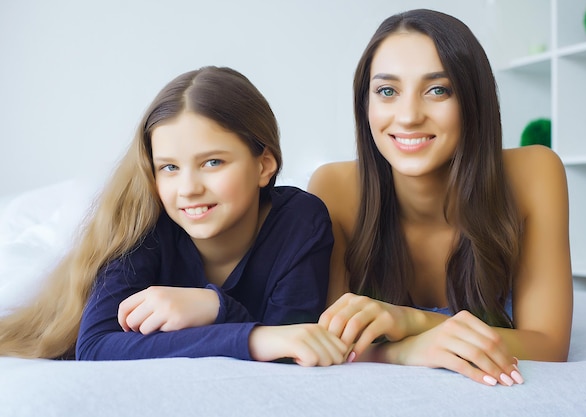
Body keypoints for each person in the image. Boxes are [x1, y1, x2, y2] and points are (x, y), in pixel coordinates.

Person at [0, 66, 348, 366]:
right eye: (169, 167)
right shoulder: (143, 222)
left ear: (264, 165)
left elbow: (294, 341)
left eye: (212, 162)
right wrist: (245, 331)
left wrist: (213, 308)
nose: (188, 189)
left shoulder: (301, 221)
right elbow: (95, 346)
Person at [308, 9, 573, 385]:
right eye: (387, 91)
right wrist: (407, 350)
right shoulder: (334, 188)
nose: (409, 116)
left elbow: (549, 346)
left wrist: (412, 320)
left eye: (438, 90)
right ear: (364, 105)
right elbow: (328, 341)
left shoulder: (535, 173)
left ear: (473, 101)